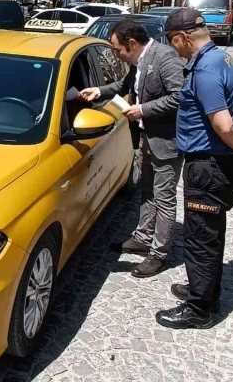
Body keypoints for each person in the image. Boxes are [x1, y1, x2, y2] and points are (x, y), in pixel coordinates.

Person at [157, 8, 233, 330]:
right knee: (210, 233)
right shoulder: (225, 60)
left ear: (184, 37)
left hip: (208, 166)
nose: (174, 50)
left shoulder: (204, 70)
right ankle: (203, 289)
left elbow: (222, 122)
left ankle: (199, 309)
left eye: (173, 43)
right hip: (219, 163)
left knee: (201, 237)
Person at [78, 19, 185, 278]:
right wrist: (98, 91)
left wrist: (142, 109)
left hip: (166, 141)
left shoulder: (165, 58)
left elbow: (180, 96)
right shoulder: (137, 62)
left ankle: (159, 254)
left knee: (164, 198)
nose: (116, 54)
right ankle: (143, 237)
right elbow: (125, 87)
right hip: (145, 137)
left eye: (117, 49)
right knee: (147, 191)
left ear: (132, 44)